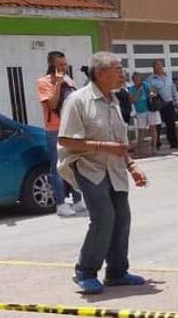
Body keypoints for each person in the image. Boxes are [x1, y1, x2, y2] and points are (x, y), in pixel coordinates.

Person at [57, 53, 148, 295]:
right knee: (103, 217)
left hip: (114, 168)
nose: (122, 74)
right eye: (117, 69)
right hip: (88, 166)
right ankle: (85, 271)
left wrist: (132, 166)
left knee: (122, 217)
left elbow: (119, 140)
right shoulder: (78, 100)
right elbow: (66, 140)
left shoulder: (116, 99)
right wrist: (102, 147)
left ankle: (117, 271)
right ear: (100, 73)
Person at [37, 52, 86, 218]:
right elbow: (51, 104)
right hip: (54, 130)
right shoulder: (43, 82)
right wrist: (57, 84)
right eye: (60, 65)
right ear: (52, 65)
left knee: (74, 164)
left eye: (65, 64)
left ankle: (78, 200)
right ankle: (60, 203)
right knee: (57, 167)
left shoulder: (69, 80)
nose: (63, 68)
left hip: (71, 128)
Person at [148, 60, 178, 150]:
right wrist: (153, 94)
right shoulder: (150, 79)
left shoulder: (168, 78)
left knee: (171, 124)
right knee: (157, 125)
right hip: (158, 105)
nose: (159, 67)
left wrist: (177, 102)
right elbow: (150, 92)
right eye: (157, 66)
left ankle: (174, 143)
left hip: (169, 104)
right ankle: (156, 143)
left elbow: (173, 90)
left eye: (161, 66)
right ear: (153, 68)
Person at [129, 72, 161, 154]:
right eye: (134, 79)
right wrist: (138, 91)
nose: (136, 81)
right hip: (140, 111)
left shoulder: (146, 85)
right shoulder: (132, 89)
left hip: (150, 109)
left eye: (137, 79)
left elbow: (154, 92)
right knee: (141, 130)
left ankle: (154, 147)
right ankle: (140, 148)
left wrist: (152, 94)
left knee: (153, 128)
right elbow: (132, 100)